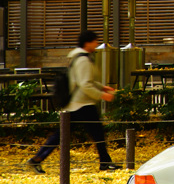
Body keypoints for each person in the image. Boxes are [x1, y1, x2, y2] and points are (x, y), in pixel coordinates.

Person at [27, 30, 119, 173]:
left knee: (62, 135)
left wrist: (102, 87)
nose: (97, 44)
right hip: (82, 103)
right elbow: (85, 84)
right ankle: (105, 162)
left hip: (76, 103)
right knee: (97, 132)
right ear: (87, 42)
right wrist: (102, 94)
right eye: (95, 41)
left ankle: (37, 159)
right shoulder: (83, 59)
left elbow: (86, 80)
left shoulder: (80, 57)